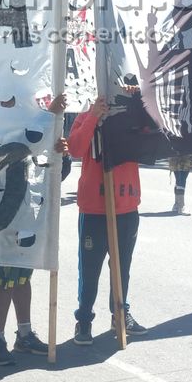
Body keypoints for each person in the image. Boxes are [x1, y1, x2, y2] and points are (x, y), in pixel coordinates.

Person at [61, 78, 147, 344]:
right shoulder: (87, 111)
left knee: (122, 267)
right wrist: (93, 117)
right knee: (89, 268)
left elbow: (151, 138)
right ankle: (84, 319)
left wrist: (138, 104)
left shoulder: (134, 110)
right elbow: (74, 149)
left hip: (126, 205)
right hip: (95, 207)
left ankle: (120, 313)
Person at [0, 261, 49, 366]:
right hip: (4, 246)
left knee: (23, 275)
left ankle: (24, 336)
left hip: (24, 246)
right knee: (4, 278)